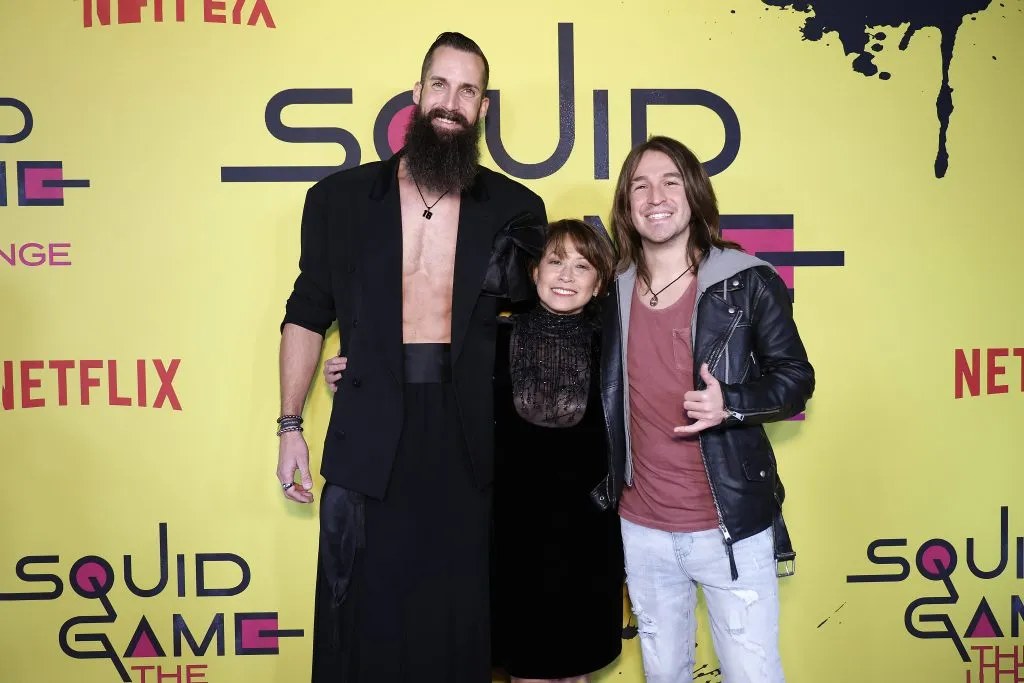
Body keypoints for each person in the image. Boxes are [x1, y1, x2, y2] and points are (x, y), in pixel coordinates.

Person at [275, 30, 547, 683]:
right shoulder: (337, 201)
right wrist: (290, 425)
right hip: (369, 437)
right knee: (362, 626)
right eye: (440, 84)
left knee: (456, 625)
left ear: (483, 108)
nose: (451, 101)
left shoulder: (518, 209)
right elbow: (308, 313)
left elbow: (541, 330)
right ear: (417, 93)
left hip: (467, 440)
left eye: (468, 89)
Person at [334, 218, 627, 682]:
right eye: (555, 261)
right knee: (526, 665)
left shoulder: (614, 345)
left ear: (600, 284)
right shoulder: (494, 336)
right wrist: (359, 371)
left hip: (588, 531)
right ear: (533, 272)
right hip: (510, 531)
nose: (566, 275)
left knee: (577, 666)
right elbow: (425, 370)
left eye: (582, 266)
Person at [608, 135, 815, 683]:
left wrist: (734, 403)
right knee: (664, 674)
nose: (656, 196)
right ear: (627, 205)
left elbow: (797, 379)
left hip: (730, 526)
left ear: (694, 194)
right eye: (640, 185)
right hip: (642, 528)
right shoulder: (611, 291)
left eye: (670, 181)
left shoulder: (747, 280)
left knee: (752, 673)